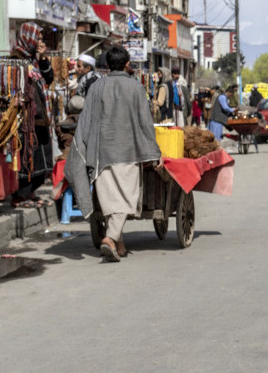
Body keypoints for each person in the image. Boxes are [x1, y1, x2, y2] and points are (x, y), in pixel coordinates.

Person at [65, 45, 163, 262]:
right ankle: (110, 238)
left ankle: (119, 244)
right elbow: (145, 124)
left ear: (107, 65)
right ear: (127, 64)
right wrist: (154, 152)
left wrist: (84, 147)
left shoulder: (97, 87)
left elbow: (87, 119)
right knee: (126, 199)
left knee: (110, 200)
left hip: (101, 153)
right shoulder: (136, 88)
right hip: (128, 151)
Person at [11, 22, 55, 208]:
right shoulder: (16, 58)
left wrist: (43, 57)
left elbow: (49, 78)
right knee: (29, 157)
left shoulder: (33, 60)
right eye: (37, 38)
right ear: (28, 38)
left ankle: (30, 192)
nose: (40, 41)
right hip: (27, 119)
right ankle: (20, 195)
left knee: (42, 158)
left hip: (40, 119)